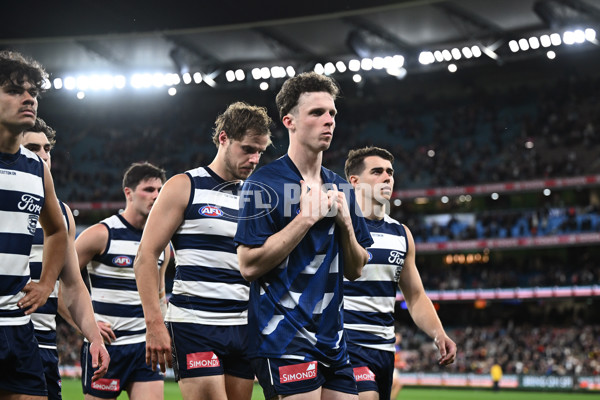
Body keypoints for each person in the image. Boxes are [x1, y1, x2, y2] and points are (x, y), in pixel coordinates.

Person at [235, 72, 373, 400]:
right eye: (316, 113)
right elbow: (249, 266)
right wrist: (306, 217)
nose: (328, 121)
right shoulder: (263, 184)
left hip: (334, 343)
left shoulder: (341, 188)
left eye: (332, 113)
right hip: (283, 340)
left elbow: (356, 269)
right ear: (290, 121)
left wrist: (346, 224)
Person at [134, 101, 272, 400]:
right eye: (248, 148)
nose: (255, 158)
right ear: (224, 138)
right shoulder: (185, 185)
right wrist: (155, 323)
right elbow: (146, 256)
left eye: (260, 151)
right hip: (196, 324)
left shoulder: (257, 198)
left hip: (244, 327)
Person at [343, 146, 457, 400]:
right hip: (346, 345)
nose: (387, 177)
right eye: (377, 171)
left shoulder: (401, 234)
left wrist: (439, 334)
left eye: (390, 172)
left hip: (384, 349)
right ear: (355, 181)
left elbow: (415, 296)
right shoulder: (339, 226)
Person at [23, 118, 109, 399]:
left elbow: (71, 285)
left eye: (47, 148)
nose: (44, 155)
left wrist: (93, 335)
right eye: (33, 147)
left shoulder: (62, 214)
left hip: (43, 345)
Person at [0, 50, 68, 399]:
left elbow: (57, 230)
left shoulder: (35, 168)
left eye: (34, 93)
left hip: (17, 324)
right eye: (14, 90)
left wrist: (45, 284)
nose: (29, 99)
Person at [73, 162, 169, 400]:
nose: (156, 196)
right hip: (106, 347)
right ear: (129, 192)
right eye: (148, 190)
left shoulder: (164, 244)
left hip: (145, 347)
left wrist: (164, 331)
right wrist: (85, 326)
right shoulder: (101, 234)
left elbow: (160, 293)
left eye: (160, 190)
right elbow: (59, 280)